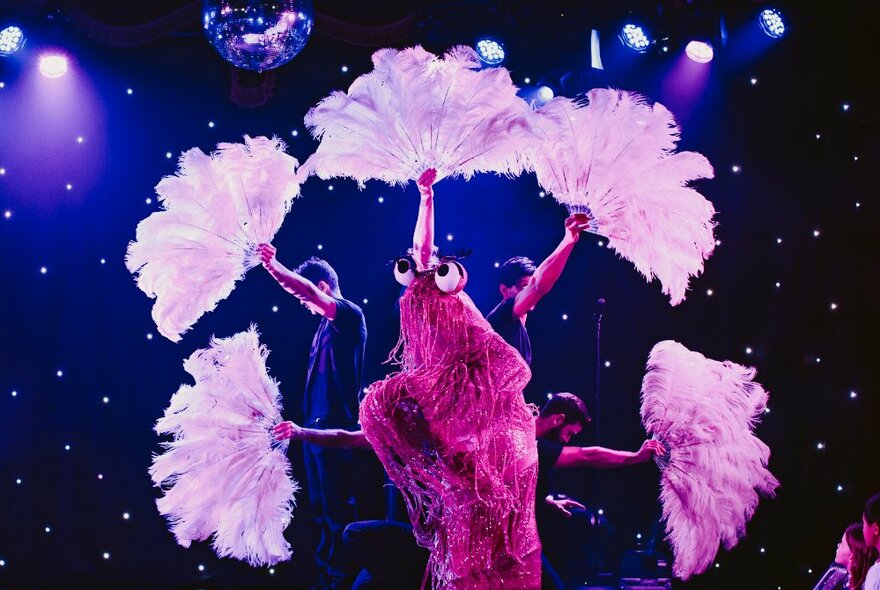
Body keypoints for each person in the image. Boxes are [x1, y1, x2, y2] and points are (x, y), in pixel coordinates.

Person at [258, 245, 367, 590]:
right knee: (321, 512)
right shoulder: (321, 329)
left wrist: (275, 266)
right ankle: (326, 579)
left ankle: (342, 580)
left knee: (337, 512)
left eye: (309, 296)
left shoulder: (348, 316)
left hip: (336, 430)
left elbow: (302, 290)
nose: (305, 305)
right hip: (312, 432)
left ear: (322, 287)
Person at [533, 393, 665, 589]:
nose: (567, 441)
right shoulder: (533, 444)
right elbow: (588, 456)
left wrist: (546, 501)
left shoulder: (529, 440)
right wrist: (635, 457)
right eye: (569, 433)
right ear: (558, 419)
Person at [486, 214, 592, 365]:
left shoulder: (519, 327)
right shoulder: (501, 316)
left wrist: (570, 240)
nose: (529, 291)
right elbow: (538, 285)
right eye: (524, 286)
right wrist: (567, 240)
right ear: (504, 290)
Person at [862, 494, 880, 590]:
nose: (863, 529)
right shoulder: (874, 570)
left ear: (875, 528)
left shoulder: (875, 573)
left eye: (864, 523)